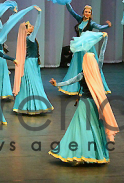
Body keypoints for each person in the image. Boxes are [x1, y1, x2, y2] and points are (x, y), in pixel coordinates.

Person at [48, 33, 118, 164]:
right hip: (95, 104)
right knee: (94, 127)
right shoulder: (97, 70)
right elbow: (102, 55)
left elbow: (69, 82)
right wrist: (105, 39)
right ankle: (94, 154)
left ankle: (80, 153)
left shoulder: (82, 74)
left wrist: (56, 84)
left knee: (81, 127)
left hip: (85, 103)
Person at [58, 3, 111, 95]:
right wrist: (67, 2)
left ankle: (92, 87)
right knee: (77, 66)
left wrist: (107, 26)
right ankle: (75, 87)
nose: (87, 13)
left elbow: (99, 27)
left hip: (87, 48)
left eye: (89, 12)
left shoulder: (91, 23)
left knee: (89, 66)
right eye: (86, 12)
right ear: (83, 13)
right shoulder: (80, 19)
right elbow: (71, 11)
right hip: (79, 47)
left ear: (91, 14)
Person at [12, 7, 53, 115]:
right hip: (30, 63)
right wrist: (39, 13)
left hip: (32, 63)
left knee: (32, 84)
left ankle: (29, 106)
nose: (32, 27)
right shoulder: (29, 38)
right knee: (33, 84)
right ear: (26, 30)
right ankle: (35, 106)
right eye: (30, 26)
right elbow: (38, 26)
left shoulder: (29, 38)